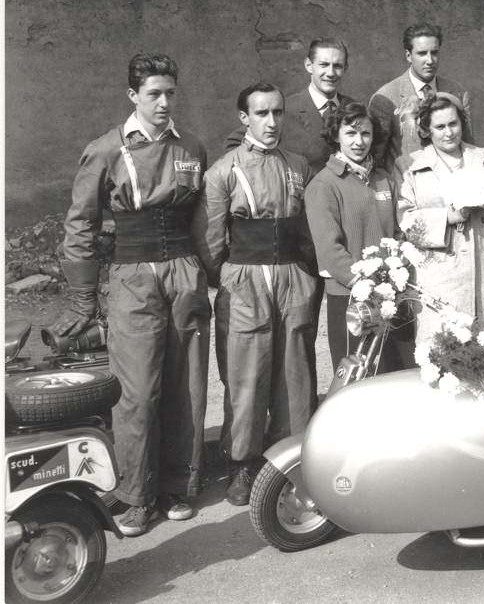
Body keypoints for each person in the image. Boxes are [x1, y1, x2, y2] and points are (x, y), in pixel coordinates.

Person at [52, 53, 210, 536]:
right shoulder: (104, 150)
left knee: (188, 383)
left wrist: (211, 272)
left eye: (170, 94)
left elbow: (204, 220)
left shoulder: (192, 148)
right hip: (132, 276)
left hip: (184, 271)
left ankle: (178, 483)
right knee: (138, 390)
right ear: (133, 97)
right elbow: (79, 224)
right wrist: (84, 297)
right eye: (153, 95)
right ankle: (135, 494)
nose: (163, 104)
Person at [195, 83, 317, 506]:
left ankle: (294, 457)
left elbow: (306, 229)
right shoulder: (223, 171)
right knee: (246, 375)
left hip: (291, 276)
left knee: (294, 373)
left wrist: (302, 274)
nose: (271, 122)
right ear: (244, 118)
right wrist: (231, 278)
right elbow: (211, 242)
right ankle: (242, 463)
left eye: (278, 113)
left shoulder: (298, 165)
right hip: (244, 278)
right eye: (262, 113)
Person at [396, 93, 484, 350]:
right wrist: (448, 217)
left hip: (483, 270)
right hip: (441, 276)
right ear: (426, 130)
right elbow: (406, 221)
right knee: (444, 352)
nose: (448, 133)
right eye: (439, 127)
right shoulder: (414, 166)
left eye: (453, 124)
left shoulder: (483, 158)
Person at [305, 101, 413, 369]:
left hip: (391, 295)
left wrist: (394, 276)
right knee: (357, 374)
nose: (359, 141)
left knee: (394, 372)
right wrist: (362, 282)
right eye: (350, 133)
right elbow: (329, 249)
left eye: (365, 133)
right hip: (351, 297)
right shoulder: (324, 184)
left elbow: (398, 231)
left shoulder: (382, 178)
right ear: (336, 136)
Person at [227, 37, 353, 174]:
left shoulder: (353, 108)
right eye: (323, 65)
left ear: (345, 68)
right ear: (309, 65)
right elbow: (235, 143)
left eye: (338, 66)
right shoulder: (284, 109)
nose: (331, 73)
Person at [369, 23, 472, 172]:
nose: (430, 60)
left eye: (434, 53)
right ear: (408, 56)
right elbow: (376, 159)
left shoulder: (457, 92)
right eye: (422, 53)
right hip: (407, 186)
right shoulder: (385, 97)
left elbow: (467, 145)